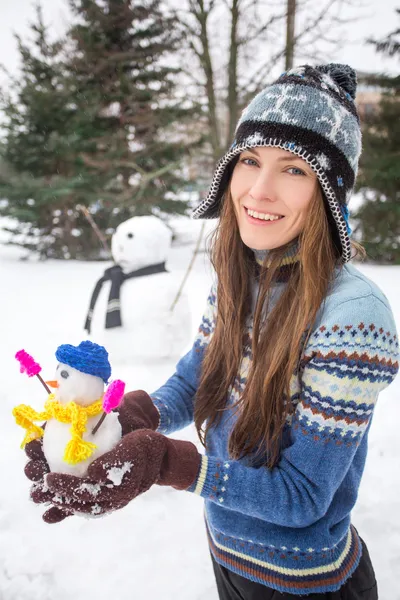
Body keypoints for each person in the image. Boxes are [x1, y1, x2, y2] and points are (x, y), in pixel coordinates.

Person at [24, 63, 399, 599]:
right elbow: (201, 378)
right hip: (227, 553)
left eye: (294, 169)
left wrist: (165, 461)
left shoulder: (353, 319)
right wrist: (126, 420)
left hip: (304, 583)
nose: (259, 190)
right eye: (250, 161)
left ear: (330, 193)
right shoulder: (240, 273)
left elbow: (303, 495)